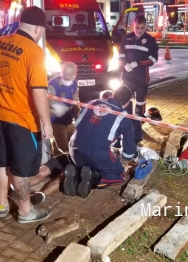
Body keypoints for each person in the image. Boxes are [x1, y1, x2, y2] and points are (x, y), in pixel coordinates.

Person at [0, 6, 53, 223]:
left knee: (2, 164)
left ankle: (2, 205)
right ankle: (26, 212)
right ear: (37, 29)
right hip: (21, 120)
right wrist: (46, 122)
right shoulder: (34, 51)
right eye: (42, 30)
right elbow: (38, 90)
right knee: (21, 169)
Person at [67, 86, 136, 198]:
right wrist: (126, 159)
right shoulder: (123, 116)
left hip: (74, 148)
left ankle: (76, 172)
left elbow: (78, 124)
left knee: (88, 162)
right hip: (97, 154)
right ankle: (94, 176)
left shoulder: (92, 102)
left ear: (112, 95)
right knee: (119, 175)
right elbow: (128, 153)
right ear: (127, 103)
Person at [119, 14, 158, 145]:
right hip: (127, 75)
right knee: (125, 99)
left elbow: (153, 59)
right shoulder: (126, 38)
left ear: (145, 26)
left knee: (140, 101)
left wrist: (138, 63)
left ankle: (139, 123)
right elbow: (120, 55)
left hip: (142, 76)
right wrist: (125, 64)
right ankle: (127, 122)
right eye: (137, 27)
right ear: (133, 26)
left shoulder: (150, 40)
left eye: (142, 28)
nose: (139, 30)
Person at [48, 62, 79, 156]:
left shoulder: (74, 82)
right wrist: (58, 109)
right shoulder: (53, 85)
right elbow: (47, 106)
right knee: (65, 151)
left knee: (75, 143)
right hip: (57, 121)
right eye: (66, 75)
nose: (69, 78)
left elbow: (75, 99)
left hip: (68, 120)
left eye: (72, 75)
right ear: (62, 72)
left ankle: (55, 153)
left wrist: (77, 114)